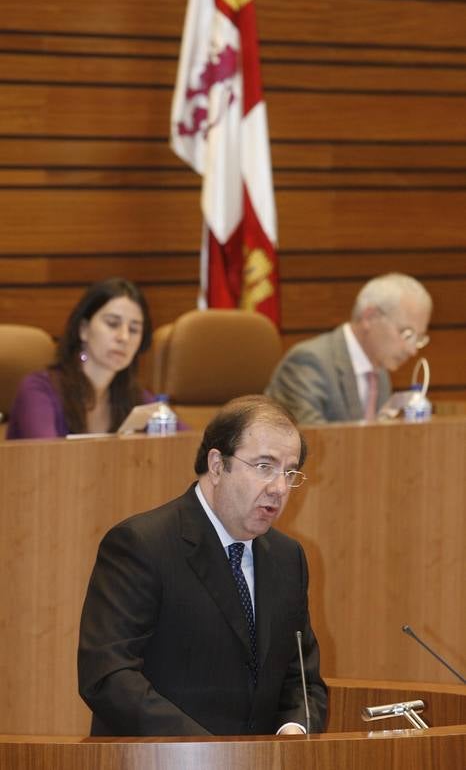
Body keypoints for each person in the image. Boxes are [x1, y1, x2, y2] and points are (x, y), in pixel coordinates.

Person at [78, 395, 328, 736]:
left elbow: (302, 677)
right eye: (264, 467)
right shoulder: (142, 544)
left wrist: (294, 730)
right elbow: (108, 676)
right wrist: (206, 751)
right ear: (216, 465)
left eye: (290, 472)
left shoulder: (288, 558)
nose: (280, 488)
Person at [266, 273, 432, 425]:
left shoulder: (380, 373)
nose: (412, 350)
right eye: (407, 334)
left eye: (418, 338)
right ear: (370, 317)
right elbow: (310, 442)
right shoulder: (308, 362)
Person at [6, 277, 153, 438]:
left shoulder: (136, 397)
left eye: (133, 329)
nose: (124, 337)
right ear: (83, 329)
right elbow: (47, 459)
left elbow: (184, 443)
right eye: (112, 324)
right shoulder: (39, 391)